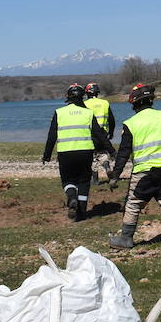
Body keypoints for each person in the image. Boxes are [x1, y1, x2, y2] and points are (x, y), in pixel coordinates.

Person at [107, 83, 161, 254]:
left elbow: (123, 153)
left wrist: (115, 176)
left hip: (144, 173)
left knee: (133, 204)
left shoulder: (131, 123)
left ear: (134, 103)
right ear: (151, 100)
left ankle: (125, 238)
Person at [41, 83, 116, 221]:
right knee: (83, 181)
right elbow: (99, 134)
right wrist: (111, 150)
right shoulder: (88, 113)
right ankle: (81, 212)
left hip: (65, 153)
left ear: (68, 97)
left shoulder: (59, 112)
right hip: (85, 152)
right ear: (83, 97)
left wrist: (46, 155)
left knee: (68, 180)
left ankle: (71, 197)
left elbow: (52, 136)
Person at [84, 82, 116, 185]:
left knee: (92, 156)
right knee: (102, 153)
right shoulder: (105, 103)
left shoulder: (84, 104)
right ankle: (107, 167)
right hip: (103, 133)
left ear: (87, 93)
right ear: (97, 92)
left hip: (90, 134)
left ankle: (95, 180)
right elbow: (111, 119)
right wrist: (111, 132)